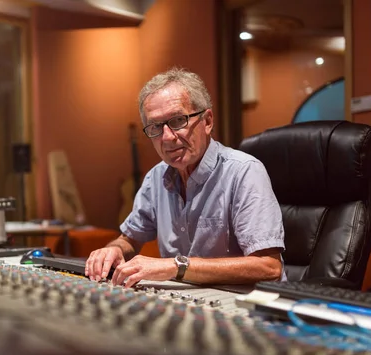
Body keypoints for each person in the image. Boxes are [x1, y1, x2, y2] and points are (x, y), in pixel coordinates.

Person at [85, 67, 285, 288]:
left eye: (178, 121)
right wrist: (114, 249)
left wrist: (176, 266)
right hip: (186, 301)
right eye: (156, 127)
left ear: (207, 121)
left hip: (243, 306)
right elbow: (130, 238)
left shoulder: (244, 171)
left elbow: (270, 267)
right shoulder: (156, 177)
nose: (167, 137)